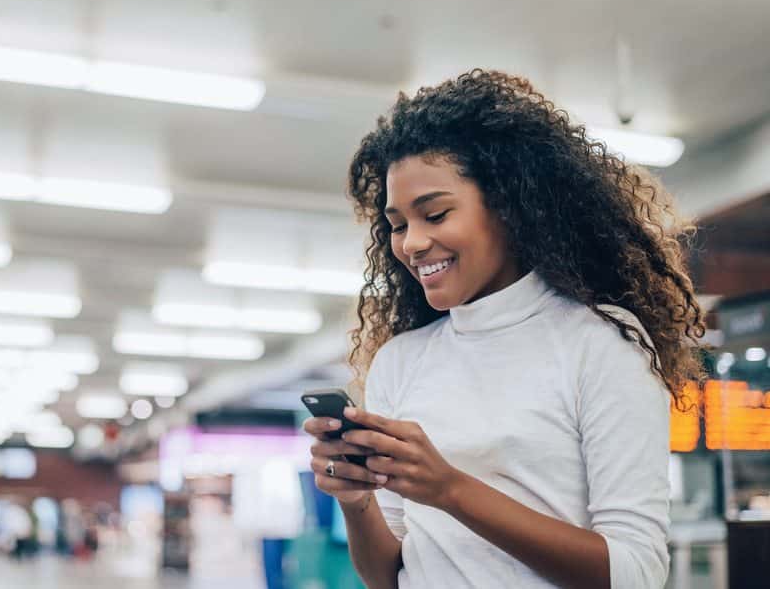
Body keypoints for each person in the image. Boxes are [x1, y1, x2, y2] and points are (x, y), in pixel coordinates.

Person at [303, 70, 707, 589]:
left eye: (436, 214)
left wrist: (450, 489)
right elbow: (386, 576)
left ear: (510, 206)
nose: (413, 244)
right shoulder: (402, 360)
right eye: (398, 224)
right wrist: (356, 501)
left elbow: (636, 573)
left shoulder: (600, 341)